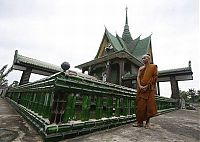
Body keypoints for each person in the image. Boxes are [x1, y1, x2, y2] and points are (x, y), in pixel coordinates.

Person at [134, 54, 158, 128]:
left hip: (149, 90)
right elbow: (138, 77)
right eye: (142, 58)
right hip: (141, 90)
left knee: (149, 106)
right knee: (140, 107)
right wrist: (140, 86)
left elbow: (154, 77)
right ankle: (139, 122)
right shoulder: (141, 68)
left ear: (149, 59)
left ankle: (147, 123)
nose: (143, 59)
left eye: (145, 58)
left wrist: (147, 86)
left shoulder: (153, 67)